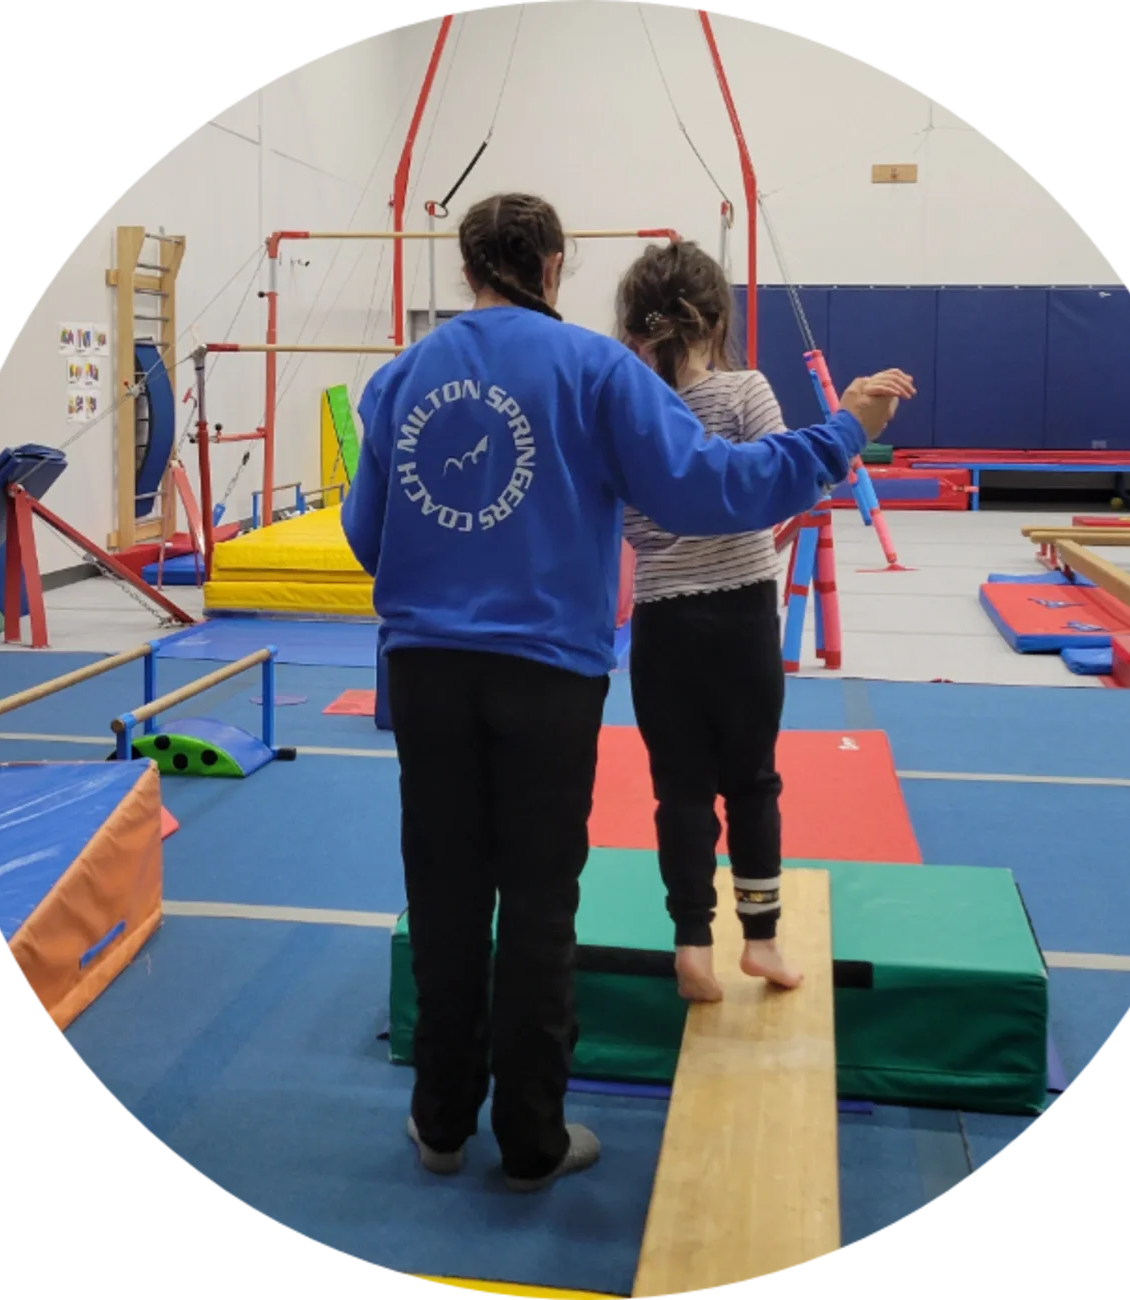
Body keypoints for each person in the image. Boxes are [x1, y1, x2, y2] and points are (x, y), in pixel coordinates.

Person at [340, 192, 914, 1194]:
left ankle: (439, 1122)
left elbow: (364, 533)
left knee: (442, 889)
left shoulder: (400, 378)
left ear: (465, 265)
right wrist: (842, 433)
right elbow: (718, 490)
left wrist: (458, 551)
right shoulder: (593, 368)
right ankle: (529, 1136)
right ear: (554, 266)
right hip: (544, 673)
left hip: (425, 669)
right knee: (535, 898)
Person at [615, 239, 812, 1003]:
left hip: (661, 624)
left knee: (682, 790)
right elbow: (778, 478)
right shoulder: (742, 391)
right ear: (714, 318)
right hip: (738, 616)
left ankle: (692, 945)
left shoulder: (630, 414)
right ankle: (759, 941)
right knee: (753, 782)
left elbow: (622, 512)